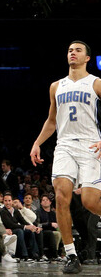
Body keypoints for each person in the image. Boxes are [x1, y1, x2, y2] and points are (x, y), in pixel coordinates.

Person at [30, 40, 101, 274]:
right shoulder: (56, 86)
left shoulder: (96, 83)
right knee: (61, 196)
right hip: (65, 145)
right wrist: (38, 142)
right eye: (70, 50)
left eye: (78, 50)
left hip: (91, 144)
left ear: (87, 58)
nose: (73, 53)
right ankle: (71, 255)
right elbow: (52, 120)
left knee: (90, 202)